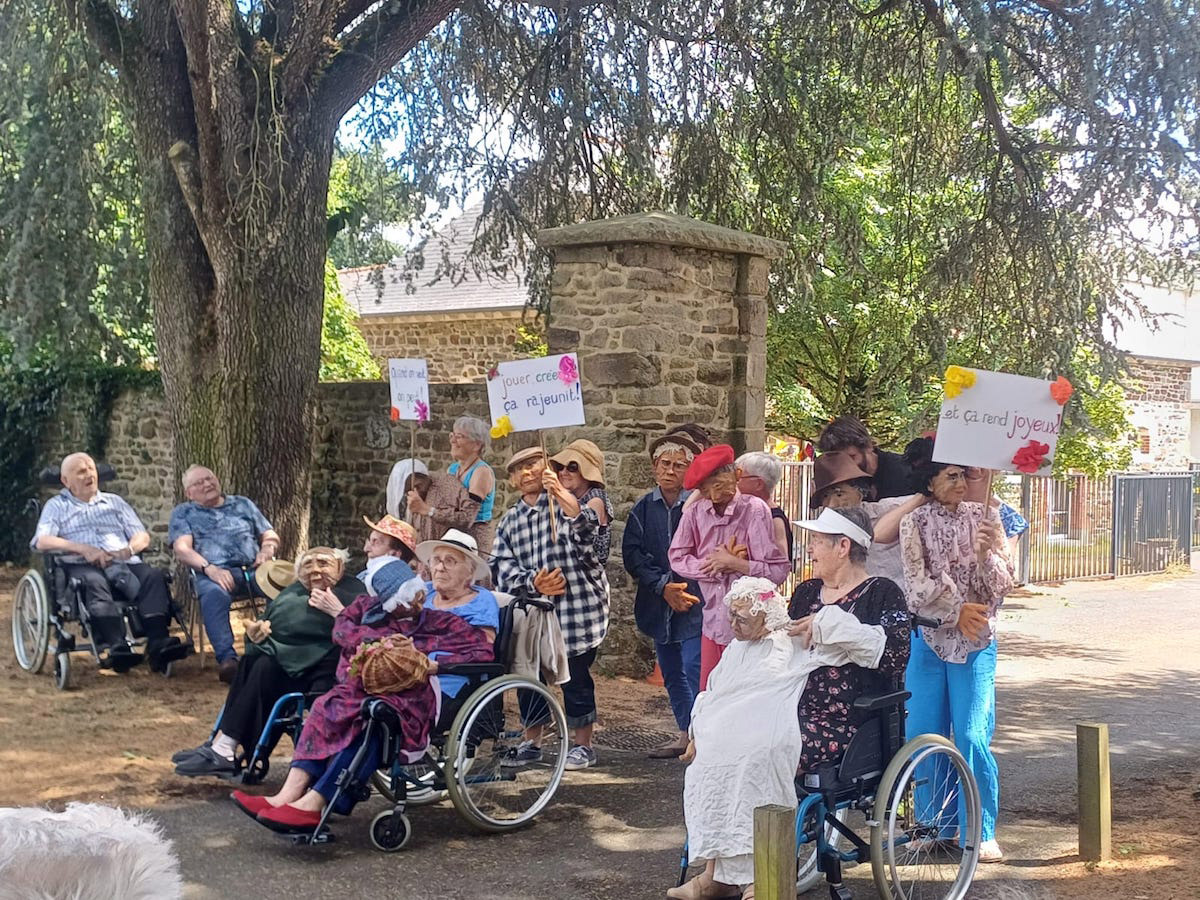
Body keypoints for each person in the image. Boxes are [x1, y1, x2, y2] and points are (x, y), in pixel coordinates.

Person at [233, 558, 495, 832]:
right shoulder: (371, 611)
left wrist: (435, 663)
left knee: (373, 718)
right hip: (365, 686)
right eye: (408, 600)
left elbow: (481, 649)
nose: (417, 602)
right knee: (325, 706)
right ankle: (286, 796)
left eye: (418, 595)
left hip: (412, 696)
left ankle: (315, 802)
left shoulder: (438, 621)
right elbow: (343, 630)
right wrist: (377, 644)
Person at [671, 576, 888, 900]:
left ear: (765, 617)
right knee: (706, 765)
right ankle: (716, 875)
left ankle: (759, 879)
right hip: (734, 729)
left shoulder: (792, 641)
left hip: (771, 726)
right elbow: (713, 692)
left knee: (755, 763)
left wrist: (825, 624)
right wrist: (697, 729)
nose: (733, 625)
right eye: (731, 616)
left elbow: (871, 645)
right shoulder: (736, 649)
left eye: (742, 619)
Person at [898, 437, 1013, 863]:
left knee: (971, 734)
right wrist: (954, 610)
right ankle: (933, 823)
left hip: (975, 642)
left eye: (963, 474)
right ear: (930, 482)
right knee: (923, 733)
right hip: (929, 641)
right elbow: (916, 588)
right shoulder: (914, 522)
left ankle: (979, 828)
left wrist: (986, 557)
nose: (961, 482)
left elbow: (1004, 583)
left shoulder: (987, 518)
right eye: (951, 476)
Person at [172, 548, 365, 777]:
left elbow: (349, 630)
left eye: (323, 564)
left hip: (322, 668)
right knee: (251, 661)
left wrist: (337, 612)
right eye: (308, 564)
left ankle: (225, 748)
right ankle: (221, 743)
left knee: (263, 666)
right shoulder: (294, 591)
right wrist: (258, 631)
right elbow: (273, 620)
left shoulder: (351, 593)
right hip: (291, 661)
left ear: (340, 568)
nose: (315, 570)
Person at [491, 445, 610, 771]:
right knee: (529, 676)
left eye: (533, 463)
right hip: (533, 611)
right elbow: (499, 566)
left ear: (547, 468)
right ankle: (532, 742)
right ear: (512, 480)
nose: (527, 472)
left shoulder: (567, 505)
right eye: (519, 468)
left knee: (575, 678)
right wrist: (533, 582)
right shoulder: (510, 521)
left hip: (575, 610)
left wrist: (559, 493)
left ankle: (583, 745)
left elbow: (588, 531)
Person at [30, 452, 186, 673]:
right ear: (65, 480)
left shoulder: (115, 502)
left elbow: (142, 536)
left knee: (154, 576)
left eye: (91, 469)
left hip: (122, 561)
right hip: (82, 564)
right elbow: (42, 540)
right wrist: (84, 549)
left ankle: (158, 641)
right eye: (81, 471)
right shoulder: (56, 506)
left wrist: (127, 550)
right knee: (93, 582)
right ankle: (116, 645)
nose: (89, 475)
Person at [787, 506, 910, 772]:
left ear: (843, 546)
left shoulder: (883, 593)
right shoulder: (806, 592)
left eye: (817, 541)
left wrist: (833, 626)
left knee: (772, 747)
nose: (809, 549)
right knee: (736, 732)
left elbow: (895, 659)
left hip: (846, 723)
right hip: (792, 708)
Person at [668, 444, 790, 690]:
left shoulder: (754, 510)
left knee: (743, 695)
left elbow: (777, 570)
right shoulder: (694, 513)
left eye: (718, 485)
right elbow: (677, 557)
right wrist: (712, 566)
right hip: (713, 623)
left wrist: (735, 564)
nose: (712, 495)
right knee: (710, 693)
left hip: (750, 630)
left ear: (736, 476)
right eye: (704, 489)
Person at [623, 433, 705, 758]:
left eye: (678, 465)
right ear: (655, 467)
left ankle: (704, 737)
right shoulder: (643, 508)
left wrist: (681, 587)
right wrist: (662, 586)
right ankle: (685, 733)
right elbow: (633, 554)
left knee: (694, 667)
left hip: (694, 601)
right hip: (659, 604)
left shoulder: (699, 506)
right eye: (665, 464)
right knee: (671, 672)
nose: (670, 471)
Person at [169, 465, 281, 682]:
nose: (207, 484)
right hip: (212, 572)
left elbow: (270, 535)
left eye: (209, 478)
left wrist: (267, 550)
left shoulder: (243, 504)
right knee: (214, 595)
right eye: (199, 482)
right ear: (189, 493)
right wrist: (210, 569)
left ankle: (277, 646)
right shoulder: (184, 513)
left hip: (254, 568)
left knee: (283, 589)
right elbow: (182, 549)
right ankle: (228, 660)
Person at [808, 451, 923, 584]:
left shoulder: (888, 510)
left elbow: (926, 497)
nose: (832, 504)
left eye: (839, 494)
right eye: (825, 497)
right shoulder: (824, 534)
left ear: (860, 493)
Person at [413, 528, 500, 703]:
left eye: (450, 561)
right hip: (411, 671)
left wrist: (438, 664)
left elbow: (482, 652)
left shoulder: (481, 601)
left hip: (450, 679)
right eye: (436, 560)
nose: (439, 568)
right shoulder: (425, 592)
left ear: (470, 572)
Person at [389, 457, 482, 552]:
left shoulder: (448, 485)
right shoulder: (411, 498)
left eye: (418, 486)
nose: (416, 492)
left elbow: (468, 518)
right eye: (409, 490)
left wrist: (429, 511)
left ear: (425, 477)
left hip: (449, 552)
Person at [548, 439, 613, 564]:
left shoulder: (596, 500)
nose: (563, 472)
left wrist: (558, 490)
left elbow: (583, 532)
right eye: (560, 466)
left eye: (572, 467)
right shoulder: (570, 496)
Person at [816, 416, 912, 499]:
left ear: (868, 447)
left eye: (851, 457)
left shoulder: (906, 471)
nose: (847, 465)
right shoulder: (845, 483)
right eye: (840, 461)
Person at [438, 416, 496, 552]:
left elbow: (467, 513)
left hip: (475, 535)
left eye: (459, 437)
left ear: (477, 445)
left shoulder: (481, 471)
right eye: (452, 435)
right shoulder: (452, 469)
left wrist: (429, 510)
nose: (453, 441)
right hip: (454, 532)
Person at [734, 451, 791, 561]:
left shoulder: (774, 519)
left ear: (758, 484)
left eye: (738, 477)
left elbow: (780, 564)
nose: (734, 482)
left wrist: (733, 562)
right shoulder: (749, 512)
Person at [359, 514, 419, 588]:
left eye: (376, 542)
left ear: (395, 554)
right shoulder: (362, 577)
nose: (366, 549)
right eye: (370, 541)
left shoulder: (406, 588)